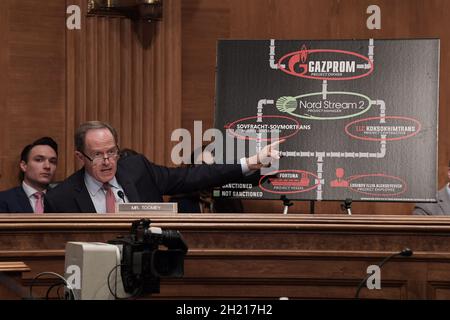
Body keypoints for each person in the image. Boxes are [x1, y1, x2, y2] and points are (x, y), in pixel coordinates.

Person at [44, 121, 280, 213]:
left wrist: (249, 162)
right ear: (79, 156)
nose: (107, 161)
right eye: (97, 155)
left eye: (112, 152)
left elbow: (191, 177)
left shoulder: (136, 169)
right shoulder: (60, 198)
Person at [169, 146, 245, 213]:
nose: (208, 173)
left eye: (213, 167)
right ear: (191, 168)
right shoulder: (178, 202)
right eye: (202, 166)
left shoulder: (231, 201)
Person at [0, 137, 58, 213]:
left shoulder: (61, 199)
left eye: (52, 161)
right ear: (24, 166)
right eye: (39, 160)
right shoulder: (3, 200)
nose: (47, 166)